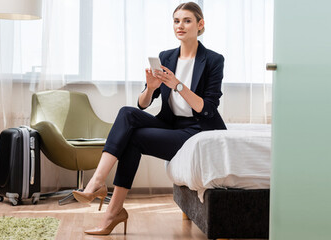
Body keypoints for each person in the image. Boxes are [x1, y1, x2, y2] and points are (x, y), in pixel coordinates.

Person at [71, 2, 226, 235]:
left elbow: (208, 109)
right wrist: (152, 88)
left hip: (196, 129)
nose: (180, 26)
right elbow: (142, 104)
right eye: (176, 21)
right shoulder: (166, 56)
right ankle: (98, 182)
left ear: (200, 24)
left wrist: (179, 85)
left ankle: (111, 209)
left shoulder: (213, 60)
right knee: (127, 113)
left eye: (187, 20)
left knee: (133, 138)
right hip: (170, 122)